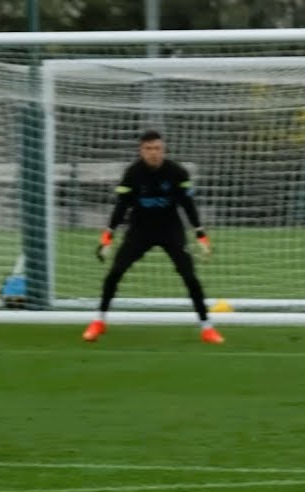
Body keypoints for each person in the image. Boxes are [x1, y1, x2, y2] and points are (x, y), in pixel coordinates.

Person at [82, 130, 223, 344]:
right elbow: (121, 206)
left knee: (189, 275)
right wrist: (107, 236)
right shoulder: (133, 173)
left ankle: (207, 327)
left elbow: (188, 205)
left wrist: (200, 233)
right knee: (115, 272)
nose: (153, 153)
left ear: (163, 150)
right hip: (140, 230)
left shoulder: (177, 172)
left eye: (157, 148)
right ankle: (99, 321)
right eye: (148, 149)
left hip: (170, 230)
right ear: (142, 151)